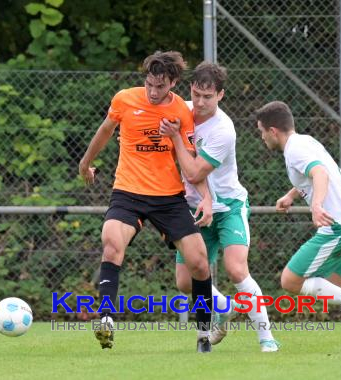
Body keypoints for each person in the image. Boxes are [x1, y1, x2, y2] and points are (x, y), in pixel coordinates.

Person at [79, 51, 214, 353]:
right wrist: (85, 163)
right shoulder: (125, 99)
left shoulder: (181, 111)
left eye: (160, 86)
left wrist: (205, 196)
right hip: (128, 192)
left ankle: (204, 333)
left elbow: (190, 162)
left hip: (168, 197)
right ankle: (106, 320)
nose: (153, 92)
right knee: (112, 242)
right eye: (150, 84)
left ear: (174, 83)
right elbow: (105, 131)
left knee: (200, 262)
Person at [159, 62, 280, 353]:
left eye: (208, 97)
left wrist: (175, 137)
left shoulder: (223, 130)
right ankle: (224, 307)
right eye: (197, 94)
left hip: (228, 206)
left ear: (221, 95)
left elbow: (195, 173)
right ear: (190, 89)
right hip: (193, 208)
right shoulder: (180, 111)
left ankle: (267, 338)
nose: (200, 102)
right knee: (185, 282)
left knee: (236, 269)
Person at [254, 101, 341, 353]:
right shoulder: (304, 141)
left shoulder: (295, 150)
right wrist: (292, 195)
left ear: (273, 130)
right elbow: (314, 173)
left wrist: (316, 204)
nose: (261, 137)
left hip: (339, 227)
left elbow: (321, 174)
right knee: (338, 284)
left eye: (261, 131)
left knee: (290, 281)